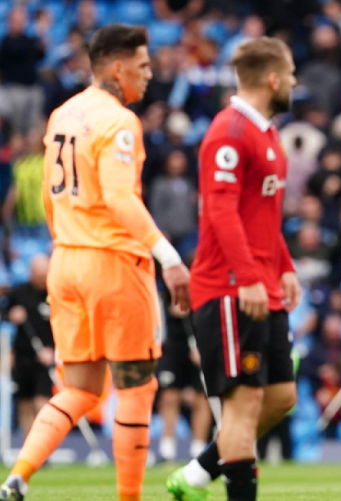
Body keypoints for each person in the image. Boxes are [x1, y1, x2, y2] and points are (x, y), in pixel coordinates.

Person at [0, 24, 193, 501]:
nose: (149, 76)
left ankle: (19, 474)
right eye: (144, 66)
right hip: (114, 264)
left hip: (66, 261)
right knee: (135, 388)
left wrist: (65, 241)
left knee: (80, 389)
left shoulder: (62, 114)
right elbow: (120, 198)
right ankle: (129, 497)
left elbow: (48, 196)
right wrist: (168, 257)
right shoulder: (119, 120)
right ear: (117, 67)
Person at [165, 37, 300, 501]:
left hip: (263, 283)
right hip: (229, 288)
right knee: (242, 409)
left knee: (282, 396)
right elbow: (220, 213)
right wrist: (247, 278)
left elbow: (262, 215)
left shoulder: (268, 133)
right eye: (292, 73)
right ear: (273, 78)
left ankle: (201, 471)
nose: (296, 82)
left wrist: (284, 267)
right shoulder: (228, 130)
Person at [155, 287, 212, 463]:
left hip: (200, 346)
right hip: (173, 348)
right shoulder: (167, 287)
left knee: (202, 398)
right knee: (170, 396)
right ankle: (167, 449)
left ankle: (198, 450)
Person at [6, 255, 54, 436]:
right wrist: (11, 315)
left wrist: (53, 350)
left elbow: (64, 326)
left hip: (45, 359)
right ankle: (29, 446)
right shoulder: (19, 293)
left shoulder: (54, 294)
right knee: (24, 404)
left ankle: (43, 444)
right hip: (23, 356)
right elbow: (4, 312)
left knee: (42, 403)